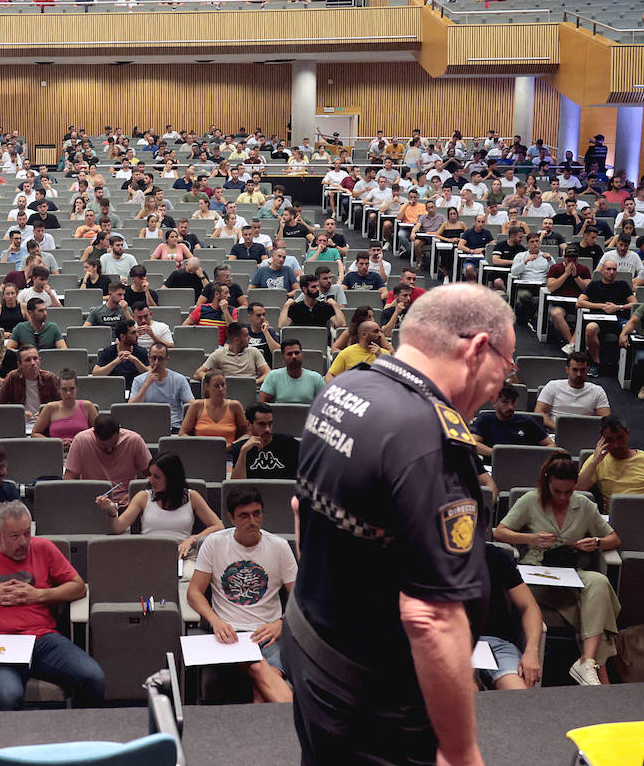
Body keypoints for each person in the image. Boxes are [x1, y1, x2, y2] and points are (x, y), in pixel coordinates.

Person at [288, 283, 514, 766]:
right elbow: (430, 617)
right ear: (478, 349)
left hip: (313, 648)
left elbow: (301, 512)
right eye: (506, 365)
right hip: (376, 699)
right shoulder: (429, 438)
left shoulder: (343, 390)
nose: (502, 384)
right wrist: (460, 752)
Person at [0, 500, 104, 710]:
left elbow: (78, 588)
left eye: (27, 533)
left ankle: (80, 736)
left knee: (93, 677)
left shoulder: (44, 548)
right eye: (15, 536)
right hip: (0, 644)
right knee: (9, 697)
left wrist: (39, 595)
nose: (24, 542)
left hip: (42, 640)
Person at [494, 453, 622, 686]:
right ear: (547, 484)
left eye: (569, 492)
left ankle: (587, 659)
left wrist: (597, 543)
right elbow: (499, 532)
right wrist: (530, 537)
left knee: (599, 582)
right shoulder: (530, 500)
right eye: (557, 492)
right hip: (536, 574)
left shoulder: (584, 505)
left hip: (570, 573)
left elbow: (614, 538)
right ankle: (597, 675)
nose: (563, 498)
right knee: (596, 611)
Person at [187, 485, 297, 703]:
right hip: (232, 634)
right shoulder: (215, 543)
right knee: (260, 670)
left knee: (263, 685)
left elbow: (299, 598)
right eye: (244, 516)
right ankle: (302, 726)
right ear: (231, 518)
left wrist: (281, 623)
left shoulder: (280, 547)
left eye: (257, 514)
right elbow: (194, 592)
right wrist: (215, 621)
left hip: (269, 633)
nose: (253, 521)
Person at [96, 453, 223, 559]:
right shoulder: (143, 497)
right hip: (148, 552)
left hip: (180, 554)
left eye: (156, 477)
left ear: (171, 478)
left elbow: (218, 526)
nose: (150, 480)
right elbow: (117, 528)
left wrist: (192, 539)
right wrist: (111, 511)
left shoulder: (192, 497)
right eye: (150, 475)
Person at [475, 545, 544, 690]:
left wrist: (531, 650)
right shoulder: (428, 555)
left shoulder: (494, 556)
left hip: (494, 643)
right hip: (449, 642)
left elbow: (529, 607)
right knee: (465, 692)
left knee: (518, 696)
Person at [576, 415, 644, 508]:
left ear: (628, 434)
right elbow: (578, 490)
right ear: (602, 440)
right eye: (610, 440)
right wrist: (594, 462)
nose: (616, 445)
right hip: (616, 520)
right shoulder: (596, 461)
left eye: (620, 438)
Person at [62, 413, 151, 509]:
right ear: (94, 434)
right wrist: (83, 498)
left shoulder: (134, 440)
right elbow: (69, 479)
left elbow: (152, 476)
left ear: (119, 431)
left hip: (125, 502)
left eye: (114, 444)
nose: (109, 450)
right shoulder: (81, 440)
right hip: (92, 501)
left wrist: (135, 495)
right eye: (104, 446)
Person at [533, 351, 611, 431]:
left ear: (588, 370)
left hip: (585, 434)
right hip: (556, 432)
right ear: (567, 370)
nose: (579, 374)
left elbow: (606, 418)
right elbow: (539, 412)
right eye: (575, 370)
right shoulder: (553, 386)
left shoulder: (597, 391)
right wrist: (557, 427)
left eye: (582, 370)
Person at [31, 368, 98, 450]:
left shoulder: (87, 406)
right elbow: (35, 434)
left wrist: (79, 442)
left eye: (72, 389)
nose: (68, 393)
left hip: (82, 452)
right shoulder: (50, 408)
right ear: (58, 390)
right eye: (64, 389)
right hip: (56, 453)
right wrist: (56, 443)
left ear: (77, 388)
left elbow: (101, 433)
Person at [229, 403, 299, 480]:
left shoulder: (289, 444)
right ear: (249, 424)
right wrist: (243, 452)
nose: (267, 429)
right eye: (262, 424)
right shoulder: (240, 447)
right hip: (252, 491)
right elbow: (236, 486)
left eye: (270, 424)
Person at [181, 369, 248, 449]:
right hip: (200, 453)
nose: (221, 389)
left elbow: (248, 433)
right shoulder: (197, 406)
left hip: (228, 455)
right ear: (207, 387)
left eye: (223, 385)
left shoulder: (235, 406)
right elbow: (182, 433)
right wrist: (198, 446)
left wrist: (232, 445)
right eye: (216, 386)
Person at [0, 344, 60, 424]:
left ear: (39, 361)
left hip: (46, 423)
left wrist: (46, 414)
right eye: (28, 360)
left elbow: (61, 406)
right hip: (19, 423)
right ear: (19, 364)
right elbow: (0, 406)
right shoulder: (12, 378)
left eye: (35, 358)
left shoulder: (50, 378)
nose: (33, 363)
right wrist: (18, 414)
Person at [195, 321, 270, 385]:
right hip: (228, 393)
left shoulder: (254, 352)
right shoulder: (219, 354)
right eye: (246, 335)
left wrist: (254, 382)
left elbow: (268, 373)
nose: (249, 338)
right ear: (237, 340)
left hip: (252, 391)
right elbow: (198, 374)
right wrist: (217, 380)